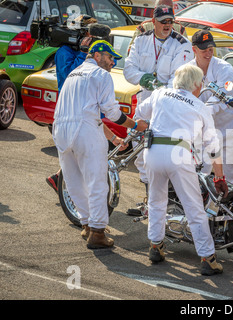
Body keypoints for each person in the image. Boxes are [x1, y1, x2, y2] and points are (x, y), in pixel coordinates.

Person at [52, 40, 148, 249]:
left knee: (73, 180)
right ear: (97, 55)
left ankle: (86, 224)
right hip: (84, 131)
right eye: (110, 57)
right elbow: (111, 112)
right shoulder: (101, 75)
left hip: (61, 130)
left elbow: (85, 114)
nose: (112, 62)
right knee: (97, 182)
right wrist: (135, 125)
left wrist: (113, 138)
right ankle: (97, 232)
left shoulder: (73, 74)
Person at [137, 64, 228, 275]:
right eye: (201, 83)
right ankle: (207, 257)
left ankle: (155, 246)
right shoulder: (199, 105)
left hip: (153, 150)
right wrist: (219, 175)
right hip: (179, 153)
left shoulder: (160, 94)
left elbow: (140, 112)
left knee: (156, 201)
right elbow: (212, 146)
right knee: (194, 207)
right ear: (196, 84)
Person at [124, 4, 194, 215]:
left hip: (168, 103)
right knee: (140, 152)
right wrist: (143, 78)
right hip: (146, 99)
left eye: (170, 21)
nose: (167, 25)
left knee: (166, 154)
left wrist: (161, 88)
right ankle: (151, 204)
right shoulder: (142, 39)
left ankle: (168, 205)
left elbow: (179, 77)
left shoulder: (182, 44)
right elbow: (129, 68)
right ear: (153, 21)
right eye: (163, 21)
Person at [46, 18, 111, 193]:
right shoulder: (64, 52)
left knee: (81, 153)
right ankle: (65, 183)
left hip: (88, 107)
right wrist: (83, 53)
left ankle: (59, 179)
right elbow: (69, 75)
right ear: (86, 34)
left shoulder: (95, 53)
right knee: (79, 153)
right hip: (71, 110)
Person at [188, 30, 233, 185]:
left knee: (232, 175)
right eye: (204, 50)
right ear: (194, 49)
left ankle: (226, 208)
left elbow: (221, 98)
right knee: (201, 173)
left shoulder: (225, 69)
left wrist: (201, 114)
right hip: (206, 131)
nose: (208, 53)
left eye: (210, 49)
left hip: (231, 129)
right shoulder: (188, 70)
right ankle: (200, 207)